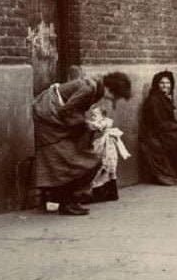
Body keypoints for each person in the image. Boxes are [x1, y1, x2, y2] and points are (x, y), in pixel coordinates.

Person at [32, 72, 132, 216]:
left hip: (52, 120)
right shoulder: (89, 89)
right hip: (50, 122)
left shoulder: (95, 87)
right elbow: (66, 110)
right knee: (73, 161)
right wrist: (87, 124)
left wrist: (86, 124)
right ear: (110, 89)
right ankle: (68, 202)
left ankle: (66, 201)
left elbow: (72, 111)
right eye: (115, 96)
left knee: (66, 161)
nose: (113, 100)